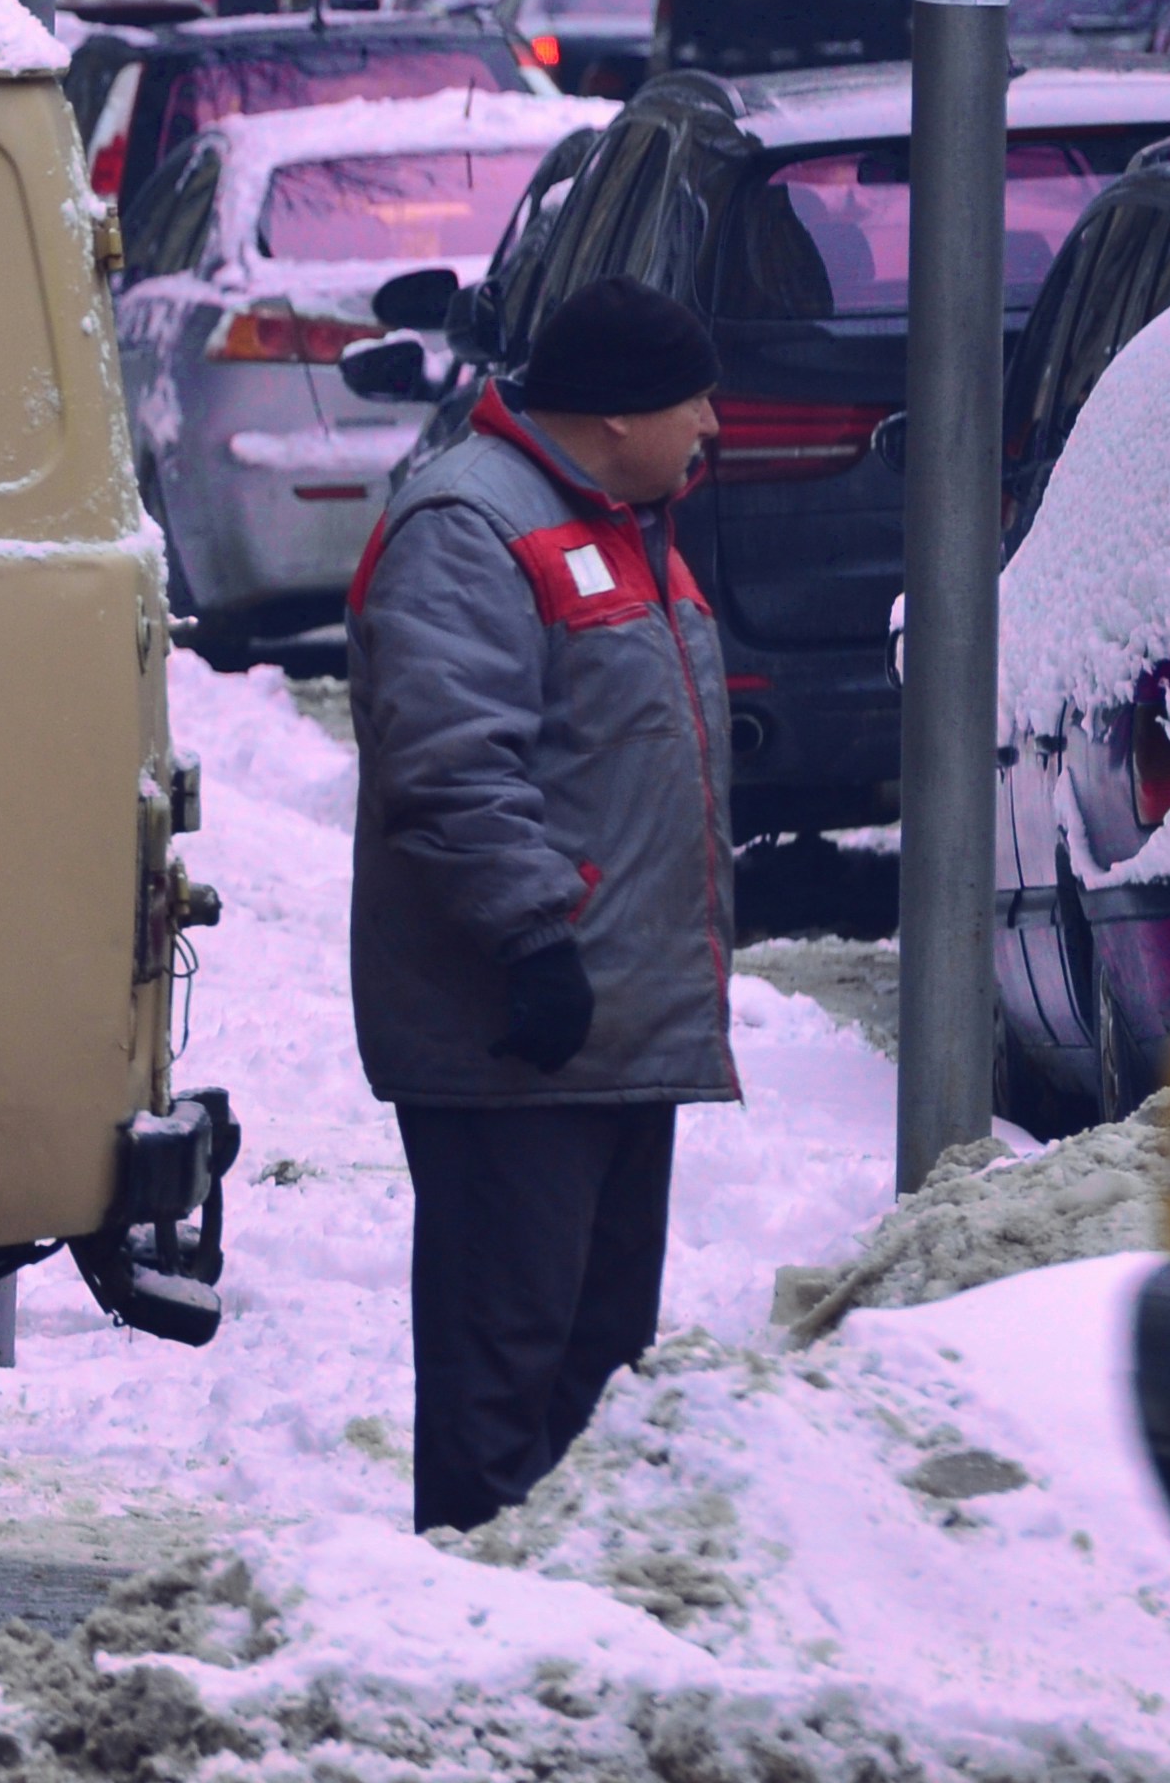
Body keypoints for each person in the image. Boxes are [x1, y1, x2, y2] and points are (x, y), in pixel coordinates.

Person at [343, 276, 735, 1532]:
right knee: (501, 1364)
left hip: (614, 1031)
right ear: (618, 415)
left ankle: (562, 1613)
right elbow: (449, 761)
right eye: (691, 400)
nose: (711, 424)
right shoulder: (468, 525)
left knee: (597, 1362)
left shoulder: (622, 517)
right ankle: (472, 1611)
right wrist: (530, 940)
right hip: (518, 1034)